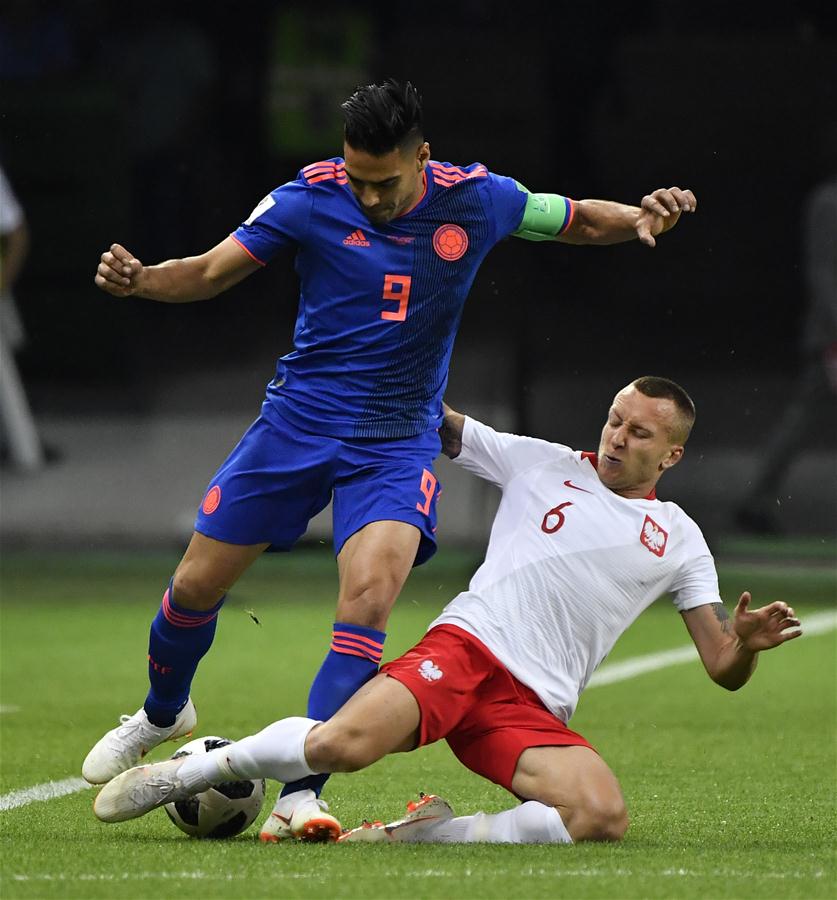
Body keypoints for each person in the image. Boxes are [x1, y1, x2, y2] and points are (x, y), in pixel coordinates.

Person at [84, 79, 698, 838]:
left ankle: (301, 794)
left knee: (368, 603)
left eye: (384, 182)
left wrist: (637, 217)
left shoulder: (477, 199)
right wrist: (143, 280)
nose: (369, 197)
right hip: (296, 425)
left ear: (422, 157)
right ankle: (162, 713)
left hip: (396, 443)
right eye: (358, 180)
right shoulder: (308, 198)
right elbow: (210, 271)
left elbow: (572, 218)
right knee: (194, 586)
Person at [93, 376, 801, 845]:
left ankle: (421, 834)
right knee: (342, 747)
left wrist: (743, 644)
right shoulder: (542, 461)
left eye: (639, 433)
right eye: (615, 420)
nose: (616, 437)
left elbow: (720, 665)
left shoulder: (680, 537)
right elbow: (443, 424)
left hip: (531, 707)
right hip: (465, 651)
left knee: (599, 816)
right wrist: (392, 366)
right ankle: (188, 774)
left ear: (671, 455)